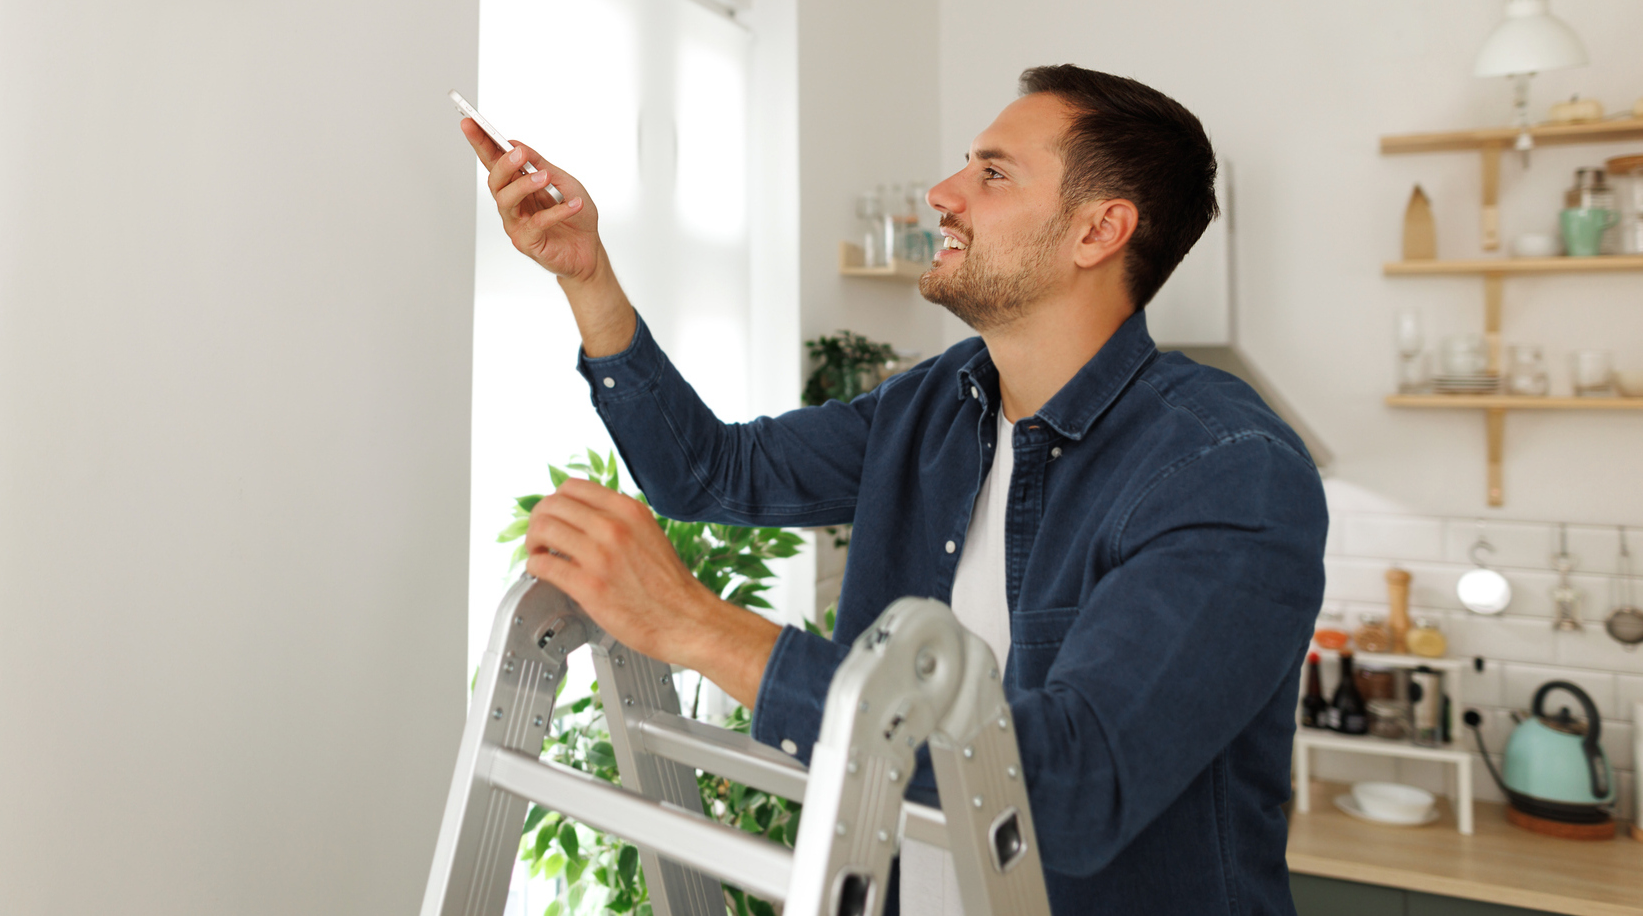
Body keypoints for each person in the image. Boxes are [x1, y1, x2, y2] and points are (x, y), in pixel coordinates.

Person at [460, 64, 1326, 916]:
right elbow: (710, 473)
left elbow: (1073, 785)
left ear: (1098, 231)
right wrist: (586, 274)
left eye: (991, 172)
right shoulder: (940, 401)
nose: (944, 193)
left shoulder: (1229, 468)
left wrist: (693, 623)